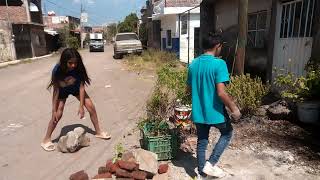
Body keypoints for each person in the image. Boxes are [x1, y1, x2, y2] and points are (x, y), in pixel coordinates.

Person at [187, 34, 241, 179]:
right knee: (227, 133)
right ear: (217, 46)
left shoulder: (193, 64)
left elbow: (189, 90)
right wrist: (234, 108)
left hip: (199, 112)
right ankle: (210, 164)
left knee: (202, 141)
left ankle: (201, 173)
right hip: (216, 112)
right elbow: (221, 93)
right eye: (221, 46)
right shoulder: (219, 64)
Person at [41, 48, 111, 152]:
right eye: (70, 63)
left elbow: (82, 87)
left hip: (76, 89)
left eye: (75, 63)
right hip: (62, 91)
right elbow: (55, 91)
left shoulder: (79, 68)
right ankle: (46, 139)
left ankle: (98, 132)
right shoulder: (57, 70)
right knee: (57, 114)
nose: (73, 65)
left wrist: (81, 106)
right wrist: (54, 111)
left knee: (91, 106)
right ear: (64, 61)